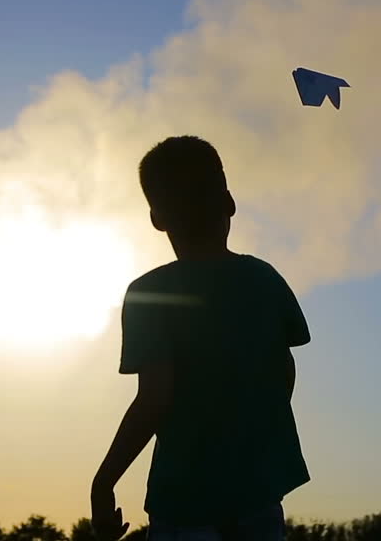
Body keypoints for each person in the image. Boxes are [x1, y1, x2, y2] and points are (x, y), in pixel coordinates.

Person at [92, 136, 311, 541]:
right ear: (228, 203)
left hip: (184, 502)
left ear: (157, 217)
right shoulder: (265, 280)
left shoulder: (149, 293)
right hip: (258, 494)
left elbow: (155, 398)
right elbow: (283, 372)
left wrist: (103, 482)